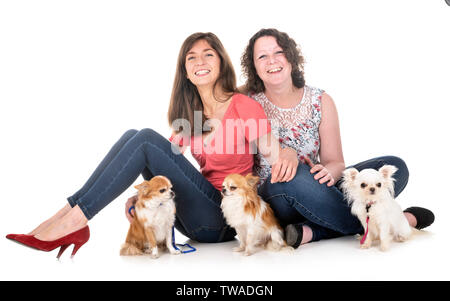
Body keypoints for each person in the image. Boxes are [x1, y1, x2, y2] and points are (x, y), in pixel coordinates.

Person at [6, 32, 289, 256]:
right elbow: (157, 160)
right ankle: (65, 214)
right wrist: (141, 195)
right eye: (191, 58)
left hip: (222, 219)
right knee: (134, 136)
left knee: (144, 139)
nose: (200, 62)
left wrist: (291, 156)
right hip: (192, 217)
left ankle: (74, 221)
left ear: (221, 63)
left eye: (208, 54)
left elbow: (275, 157)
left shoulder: (243, 106)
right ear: (186, 72)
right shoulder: (192, 118)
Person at [240, 28, 435, 248]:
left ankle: (312, 231)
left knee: (393, 167)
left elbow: (335, 162)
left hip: (317, 189)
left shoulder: (320, 100)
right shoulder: (247, 102)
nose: (272, 61)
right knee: (294, 175)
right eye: (262, 56)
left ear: (291, 57)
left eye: (278, 52)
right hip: (276, 195)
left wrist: (328, 173)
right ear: (254, 67)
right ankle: (398, 221)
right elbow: (217, 102)